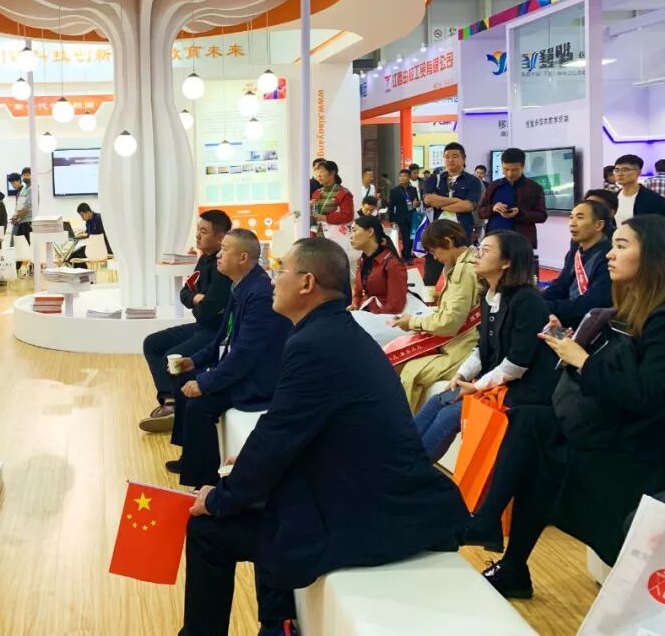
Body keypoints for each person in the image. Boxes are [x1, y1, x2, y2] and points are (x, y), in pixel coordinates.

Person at [180, 237, 469, 636]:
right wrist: (243, 471)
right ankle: (277, 624)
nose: (273, 280)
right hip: (374, 495)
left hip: (373, 518)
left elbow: (277, 438)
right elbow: (286, 430)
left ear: (307, 283)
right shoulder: (333, 333)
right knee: (266, 498)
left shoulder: (315, 344)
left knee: (210, 530)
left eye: (282, 270)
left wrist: (218, 499)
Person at [471, 216, 665, 599]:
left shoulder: (658, 319)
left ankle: (492, 533)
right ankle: (496, 536)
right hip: (615, 427)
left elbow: (648, 394)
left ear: (653, 255)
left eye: (622, 246)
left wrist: (582, 360)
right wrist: (573, 344)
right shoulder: (632, 309)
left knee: (538, 446)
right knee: (531, 423)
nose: (610, 254)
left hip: (637, 448)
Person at [413, 231, 557, 462]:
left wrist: (476, 386)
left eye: (486, 251)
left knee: (451, 414)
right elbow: (483, 347)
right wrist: (461, 375)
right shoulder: (489, 295)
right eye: (479, 248)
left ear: (506, 262)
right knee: (438, 400)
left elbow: (517, 364)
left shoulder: (527, 300)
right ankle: (401, 458)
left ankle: (414, 470)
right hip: (498, 380)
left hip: (524, 388)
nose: (477, 255)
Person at [167, 229, 292, 488]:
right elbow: (222, 339)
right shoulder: (242, 286)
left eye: (225, 250)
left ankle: (206, 482)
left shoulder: (259, 294)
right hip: (240, 367)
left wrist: (206, 383)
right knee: (184, 378)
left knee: (199, 405)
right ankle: (191, 457)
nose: (218, 255)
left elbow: (245, 354)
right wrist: (193, 361)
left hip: (258, 379)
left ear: (243, 258)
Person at [140, 211, 234, 433]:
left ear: (220, 237)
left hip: (215, 332)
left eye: (204, 231)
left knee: (171, 358)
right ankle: (170, 401)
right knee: (152, 343)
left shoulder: (223, 266)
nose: (197, 236)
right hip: (200, 327)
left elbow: (207, 311)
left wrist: (197, 300)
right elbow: (185, 292)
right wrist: (196, 298)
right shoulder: (203, 259)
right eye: (198, 230)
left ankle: (180, 412)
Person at [389, 220, 481, 412]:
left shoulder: (464, 270)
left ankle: (407, 423)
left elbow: (450, 321)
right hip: (457, 342)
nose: (434, 257)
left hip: (462, 347)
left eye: (433, 251)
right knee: (399, 359)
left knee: (410, 372)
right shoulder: (464, 264)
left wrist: (413, 322)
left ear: (448, 242)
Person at [541, 201, 613, 329]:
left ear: (599, 225)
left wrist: (546, 306)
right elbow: (561, 284)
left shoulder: (609, 257)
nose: (572, 223)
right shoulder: (576, 251)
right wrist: (539, 301)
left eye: (580, 218)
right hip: (567, 313)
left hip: (590, 324)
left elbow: (592, 304)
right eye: (571, 217)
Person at [422, 143, 483, 288]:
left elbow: (468, 206)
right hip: (436, 232)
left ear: (463, 159)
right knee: (430, 277)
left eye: (455, 156)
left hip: (461, 232)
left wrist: (440, 203)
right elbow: (428, 200)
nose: (450, 160)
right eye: (447, 157)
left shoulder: (473, 181)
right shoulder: (434, 179)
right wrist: (456, 201)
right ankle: (428, 299)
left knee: (461, 274)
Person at [477, 148, 548, 249]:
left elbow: (542, 216)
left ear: (522, 166)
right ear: (502, 165)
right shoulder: (494, 186)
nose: (510, 174)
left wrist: (519, 213)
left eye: (514, 170)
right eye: (506, 169)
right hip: (494, 239)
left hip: (521, 242)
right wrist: (493, 208)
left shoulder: (534, 188)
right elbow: (480, 212)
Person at [350, 215, 407, 315]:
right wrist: (355, 305)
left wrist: (372, 317)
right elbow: (358, 294)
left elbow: (395, 306)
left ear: (370, 232)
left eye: (354, 230)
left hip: (383, 318)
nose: (351, 236)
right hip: (366, 313)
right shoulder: (362, 261)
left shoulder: (392, 264)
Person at [310, 160, 355, 259]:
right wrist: (311, 208)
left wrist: (324, 218)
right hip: (319, 235)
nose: (318, 175)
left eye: (322, 171)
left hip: (336, 237)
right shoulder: (317, 193)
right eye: (317, 171)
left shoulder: (343, 193)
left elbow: (347, 215)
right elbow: (314, 216)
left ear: (332, 173)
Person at [613, 154, 665, 223]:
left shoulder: (654, 200)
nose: (620, 173)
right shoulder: (613, 198)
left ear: (639, 172)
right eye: (617, 170)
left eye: (625, 170)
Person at [388, 168, 419, 264]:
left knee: (412, 237)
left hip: (412, 216)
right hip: (401, 217)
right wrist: (391, 219)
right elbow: (391, 205)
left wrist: (417, 203)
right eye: (400, 176)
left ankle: (406, 253)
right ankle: (408, 257)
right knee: (405, 237)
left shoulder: (413, 189)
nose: (402, 178)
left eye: (404, 176)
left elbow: (417, 201)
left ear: (409, 178)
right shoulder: (394, 191)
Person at [9, 167, 33, 243]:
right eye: (24, 175)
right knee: (19, 245)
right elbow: (19, 206)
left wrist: (16, 217)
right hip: (21, 221)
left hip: (29, 221)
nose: (25, 177)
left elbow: (26, 207)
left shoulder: (33, 188)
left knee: (28, 245)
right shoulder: (23, 189)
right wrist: (15, 217)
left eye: (28, 175)